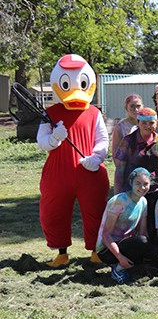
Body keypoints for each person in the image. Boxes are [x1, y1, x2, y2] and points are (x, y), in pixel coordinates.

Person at [36, 54, 110, 267]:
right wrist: (54, 138)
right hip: (58, 173)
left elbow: (102, 139)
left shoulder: (94, 113)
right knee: (54, 211)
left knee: (95, 211)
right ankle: (61, 253)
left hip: (90, 172)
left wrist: (96, 157)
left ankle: (96, 251)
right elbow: (42, 142)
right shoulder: (49, 113)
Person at [114, 107, 158, 241]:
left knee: (153, 222)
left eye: (151, 123)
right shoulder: (128, 141)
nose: (148, 126)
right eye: (144, 123)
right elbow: (120, 168)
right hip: (132, 189)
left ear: (156, 123)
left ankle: (153, 252)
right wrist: (117, 194)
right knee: (133, 223)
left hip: (153, 189)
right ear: (138, 123)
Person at [96, 168, 153, 284]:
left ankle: (132, 266)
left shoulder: (143, 202)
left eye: (146, 184)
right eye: (138, 183)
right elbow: (106, 235)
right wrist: (120, 257)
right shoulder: (119, 201)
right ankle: (118, 268)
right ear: (131, 183)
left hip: (126, 243)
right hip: (107, 249)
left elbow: (142, 232)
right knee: (142, 241)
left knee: (147, 243)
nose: (142, 188)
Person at [110, 94, 143, 168]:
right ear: (126, 108)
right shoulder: (120, 127)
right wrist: (120, 170)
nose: (136, 109)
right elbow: (115, 152)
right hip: (128, 167)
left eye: (138, 106)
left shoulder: (147, 124)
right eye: (132, 106)